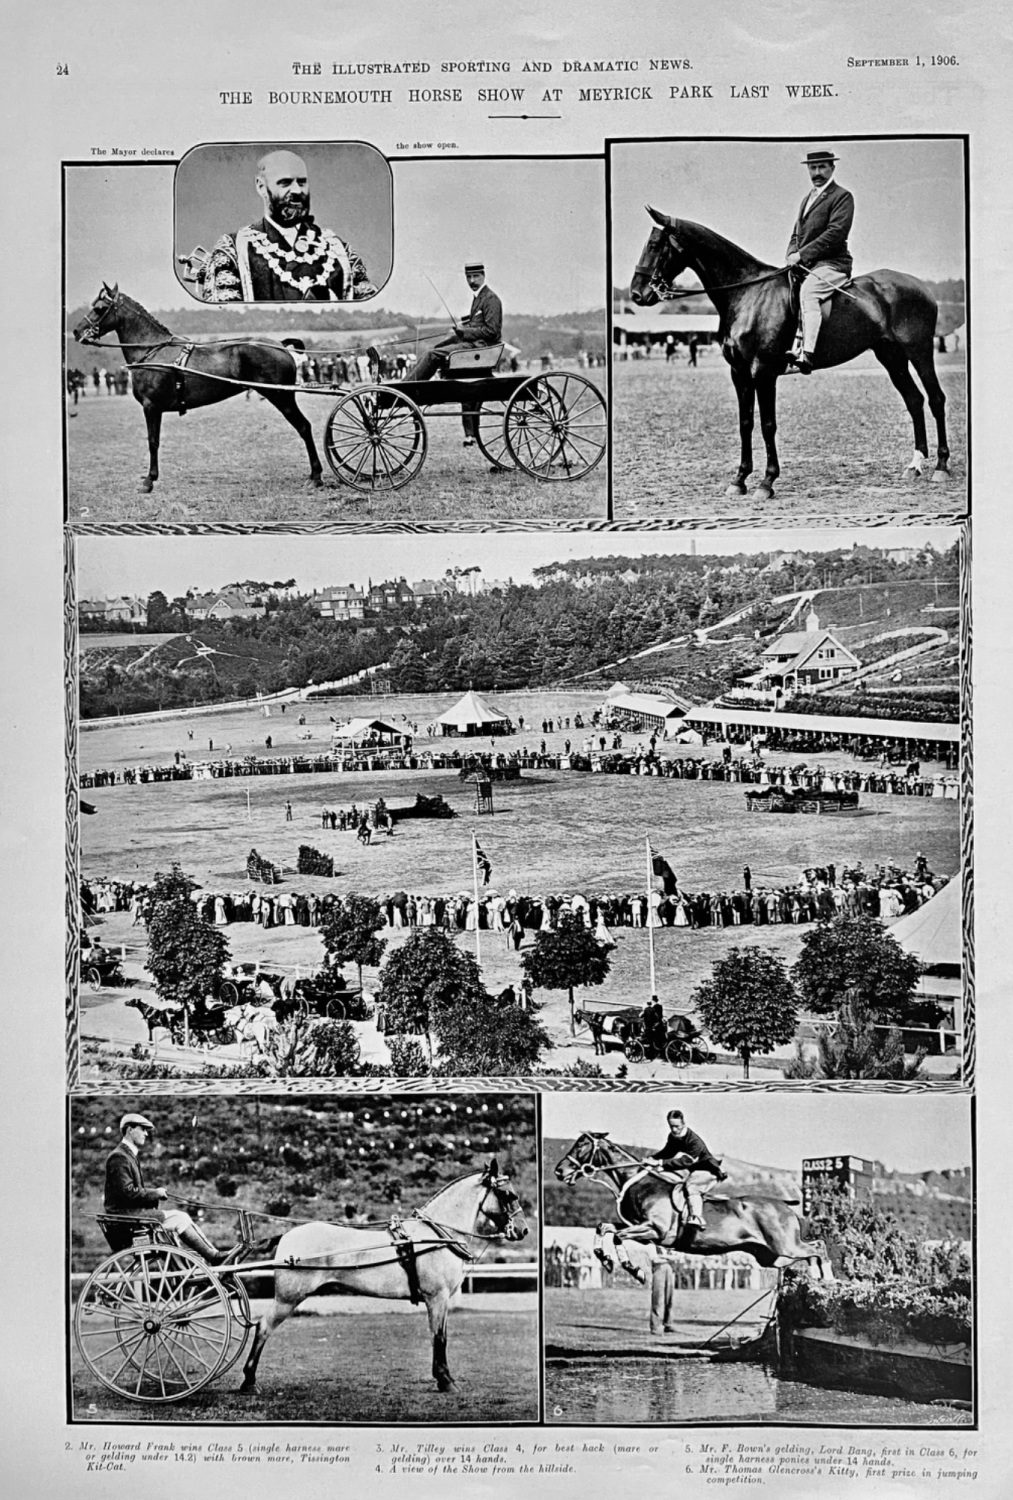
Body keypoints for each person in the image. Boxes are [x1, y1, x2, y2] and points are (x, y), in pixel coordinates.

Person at [189, 149, 377, 303]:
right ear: (261, 187)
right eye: (285, 183)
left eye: (302, 182)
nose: (297, 191)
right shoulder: (233, 249)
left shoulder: (340, 251)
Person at [104, 1114, 228, 1262]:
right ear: (130, 1130)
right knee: (181, 1218)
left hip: (131, 1216)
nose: (146, 1133)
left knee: (179, 1219)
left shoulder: (127, 1155)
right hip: (126, 1219)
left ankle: (206, 1258)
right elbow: (127, 1193)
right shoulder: (119, 1157)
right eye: (143, 1129)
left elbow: (128, 1193)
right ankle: (212, 1256)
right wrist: (156, 1193)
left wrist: (155, 1194)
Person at [411, 261, 504, 443]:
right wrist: (461, 330)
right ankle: (408, 384)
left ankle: (406, 388)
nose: (472, 280)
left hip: (480, 347)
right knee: (434, 351)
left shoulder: (491, 299)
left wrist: (465, 331)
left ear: (483, 276)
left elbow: (493, 332)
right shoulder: (478, 298)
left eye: (475, 276)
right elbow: (476, 326)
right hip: (472, 344)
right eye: (468, 277)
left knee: (432, 355)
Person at [785, 148, 854, 374]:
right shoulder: (807, 198)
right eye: (813, 167)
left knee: (809, 293)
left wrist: (802, 255)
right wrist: (791, 254)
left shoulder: (842, 196)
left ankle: (807, 354)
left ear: (832, 168)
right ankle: (791, 345)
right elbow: (797, 234)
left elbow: (835, 233)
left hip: (833, 264)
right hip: (807, 265)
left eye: (822, 166)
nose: (817, 172)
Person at [643, 1109, 726, 1229]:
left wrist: (659, 1162)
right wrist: (651, 1158)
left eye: (677, 1126)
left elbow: (686, 1161)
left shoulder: (694, 1141)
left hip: (708, 1170)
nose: (674, 1129)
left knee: (691, 1186)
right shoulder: (673, 1137)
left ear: (683, 1123)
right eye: (671, 1126)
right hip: (695, 1170)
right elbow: (668, 1152)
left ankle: (697, 1218)